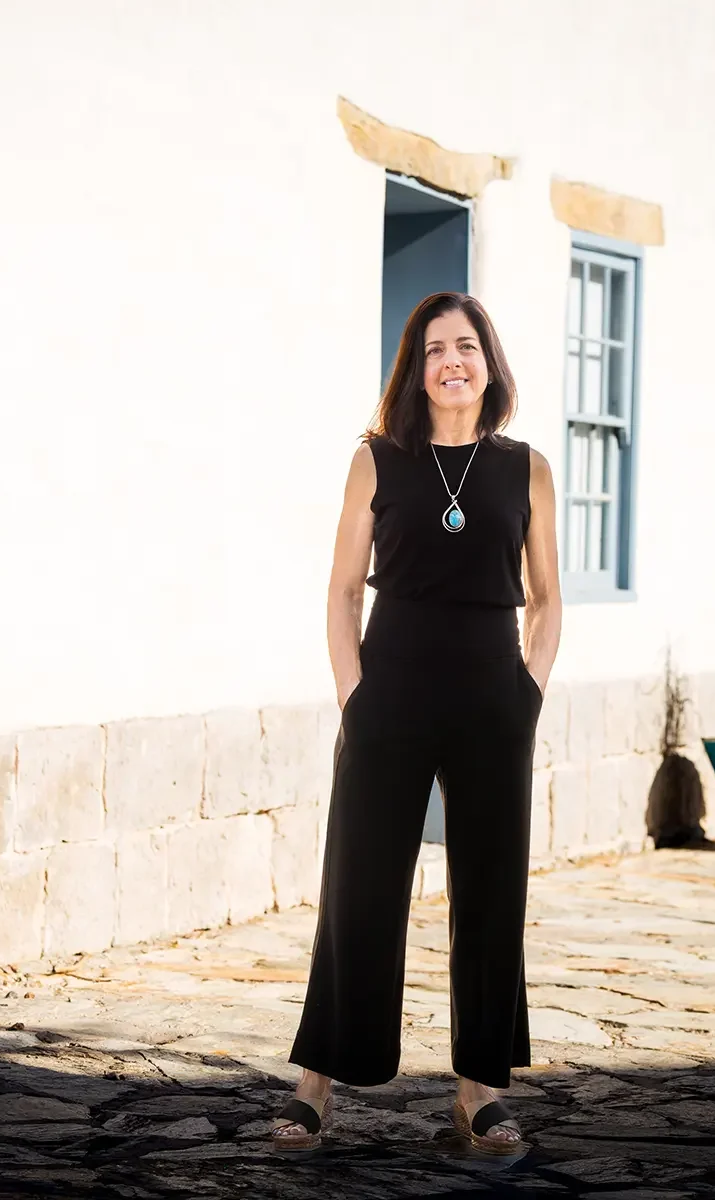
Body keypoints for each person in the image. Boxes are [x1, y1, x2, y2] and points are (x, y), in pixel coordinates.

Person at [270, 292, 562, 1156]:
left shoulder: (526, 469)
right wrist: (354, 696)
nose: (451, 362)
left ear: (489, 362)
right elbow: (340, 590)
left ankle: (480, 1094)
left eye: (466, 346)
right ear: (415, 367)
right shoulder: (377, 461)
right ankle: (316, 1082)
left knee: (491, 891)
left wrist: (528, 694)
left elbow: (547, 600)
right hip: (388, 690)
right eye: (434, 348)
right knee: (358, 886)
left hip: (491, 697)